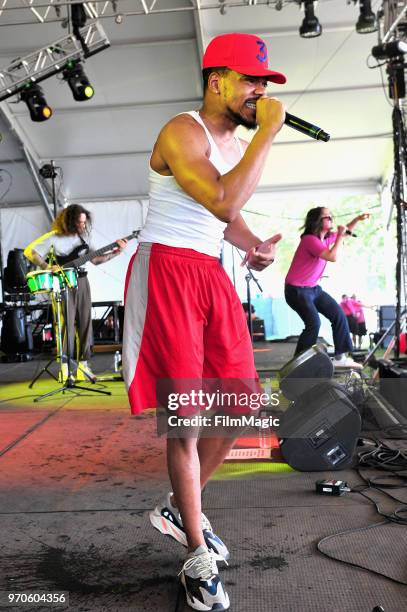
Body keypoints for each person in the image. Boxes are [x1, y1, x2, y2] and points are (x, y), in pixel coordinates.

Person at [123, 32, 286, 611]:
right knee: (187, 418)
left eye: (264, 84)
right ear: (216, 79)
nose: (259, 93)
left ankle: (177, 506)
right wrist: (268, 131)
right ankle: (196, 554)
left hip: (209, 273)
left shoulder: (230, 139)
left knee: (244, 404)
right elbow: (219, 199)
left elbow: (224, 217)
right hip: (167, 271)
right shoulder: (182, 130)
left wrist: (251, 246)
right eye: (249, 81)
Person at [24, 204, 127, 382]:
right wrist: (47, 267)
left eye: (84, 222)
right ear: (70, 222)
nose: (83, 226)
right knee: (66, 325)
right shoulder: (54, 238)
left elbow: (95, 259)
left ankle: (83, 366)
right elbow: (29, 251)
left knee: (85, 323)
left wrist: (116, 253)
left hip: (82, 281)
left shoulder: (84, 237)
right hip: (63, 282)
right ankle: (65, 368)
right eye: (80, 223)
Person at [284, 207, 370, 369]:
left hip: (313, 289)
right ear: (317, 221)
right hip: (296, 290)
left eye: (331, 216)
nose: (331, 219)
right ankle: (298, 364)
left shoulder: (324, 239)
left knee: (338, 315)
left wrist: (357, 220)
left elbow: (343, 232)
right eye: (327, 217)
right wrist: (339, 237)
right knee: (313, 324)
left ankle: (340, 357)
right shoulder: (310, 240)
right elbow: (332, 256)